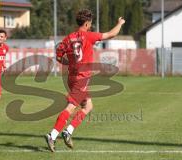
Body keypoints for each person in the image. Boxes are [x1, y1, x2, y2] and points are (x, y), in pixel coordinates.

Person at [45, 9, 125, 152]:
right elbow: (112, 34)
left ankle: (68, 132)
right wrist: (120, 23)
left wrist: (68, 63)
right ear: (87, 23)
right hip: (81, 79)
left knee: (88, 106)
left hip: (72, 77)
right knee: (70, 107)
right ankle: (53, 134)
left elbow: (58, 56)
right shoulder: (89, 36)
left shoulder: (68, 38)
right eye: (91, 23)